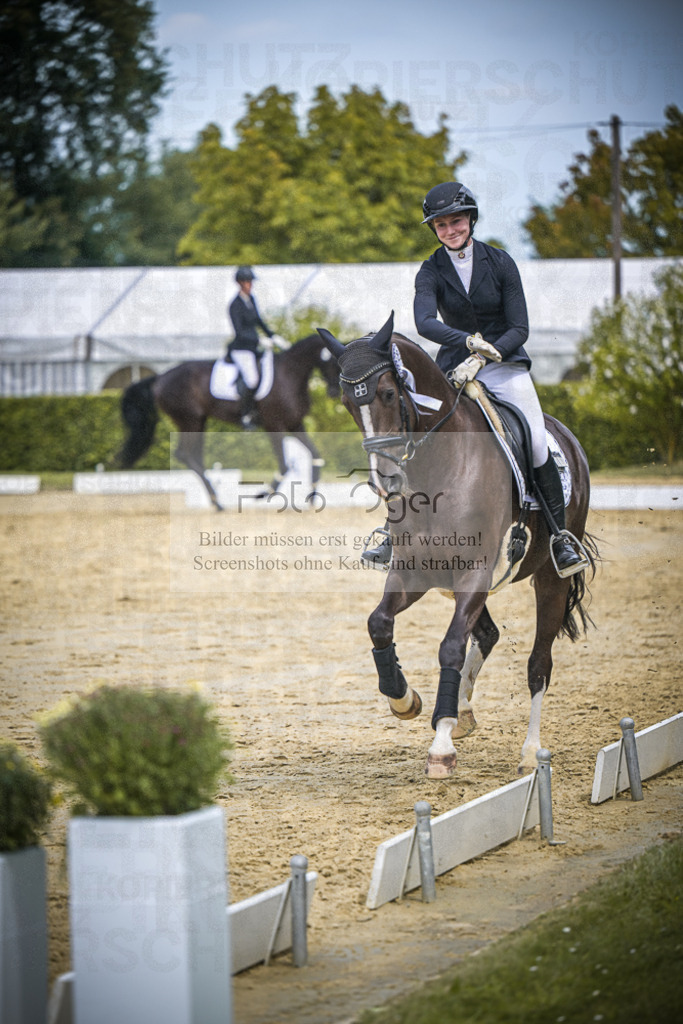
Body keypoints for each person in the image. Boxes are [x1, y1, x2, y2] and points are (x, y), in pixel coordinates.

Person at [362, 181, 588, 578]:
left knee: (535, 440)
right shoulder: (431, 269)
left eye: (457, 221)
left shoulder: (500, 263)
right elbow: (425, 321)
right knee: (414, 436)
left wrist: (484, 354)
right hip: (452, 368)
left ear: (471, 220)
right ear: (434, 230)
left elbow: (519, 327)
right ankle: (394, 531)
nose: (451, 229)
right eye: (442, 225)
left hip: (504, 364)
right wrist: (465, 342)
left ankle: (559, 537)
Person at [226, 266, 288, 428]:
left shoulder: (251, 299)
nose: (250, 284)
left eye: (251, 281)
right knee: (252, 380)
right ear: (240, 283)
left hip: (254, 348)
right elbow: (239, 332)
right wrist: (259, 340)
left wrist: (272, 335)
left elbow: (258, 320)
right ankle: (245, 414)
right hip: (242, 349)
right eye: (247, 281)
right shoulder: (234, 305)